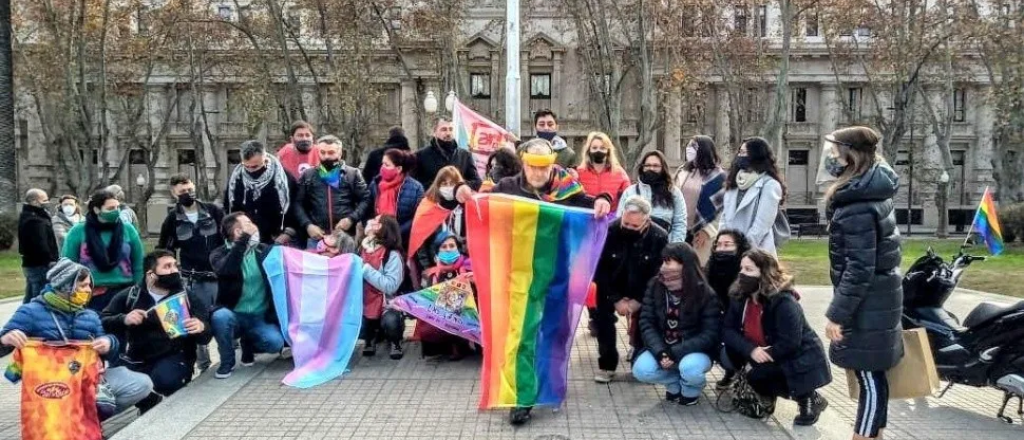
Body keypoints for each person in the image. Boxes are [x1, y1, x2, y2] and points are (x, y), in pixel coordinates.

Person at [492, 138, 612, 426]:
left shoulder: (566, 188)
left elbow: (589, 203)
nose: (538, 172)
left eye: (543, 166)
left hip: (558, 274)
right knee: (522, 335)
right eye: (532, 166)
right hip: (521, 276)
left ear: (552, 165)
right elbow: (479, 203)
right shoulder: (508, 187)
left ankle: (547, 386)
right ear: (523, 164)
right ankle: (523, 397)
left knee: (555, 332)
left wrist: (603, 199)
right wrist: (459, 191)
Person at [821, 126, 903, 440]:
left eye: (835, 151)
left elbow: (858, 268)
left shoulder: (858, 204)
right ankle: (874, 433)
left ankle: (864, 435)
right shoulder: (871, 191)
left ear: (850, 154)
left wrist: (837, 314)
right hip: (877, 298)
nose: (831, 158)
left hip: (868, 303)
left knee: (868, 376)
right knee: (874, 375)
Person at [1, 258, 154, 418]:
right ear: (66, 286)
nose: (89, 290)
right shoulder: (31, 312)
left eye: (89, 285)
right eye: (83, 285)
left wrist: (109, 343)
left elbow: (109, 354)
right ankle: (64, 422)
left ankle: (85, 422)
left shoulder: (90, 316)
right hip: (49, 386)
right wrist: (5, 339)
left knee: (141, 384)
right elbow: (3, 342)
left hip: (85, 378)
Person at [720, 249, 831, 425]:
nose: (742, 274)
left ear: (764, 273)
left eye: (749, 270)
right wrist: (751, 350)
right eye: (741, 269)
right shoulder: (740, 297)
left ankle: (808, 397)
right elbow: (727, 330)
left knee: (757, 374)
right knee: (730, 354)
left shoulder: (784, 302)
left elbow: (790, 343)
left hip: (796, 356)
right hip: (759, 350)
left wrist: (762, 355)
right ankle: (767, 396)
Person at [101, 250, 212, 410]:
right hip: (137, 357)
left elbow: (206, 333)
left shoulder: (186, 296)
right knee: (122, 381)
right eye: (167, 267)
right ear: (151, 274)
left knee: (165, 379)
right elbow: (103, 320)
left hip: (175, 355)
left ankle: (171, 405)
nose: (174, 270)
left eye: (175, 265)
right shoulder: (131, 295)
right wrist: (123, 319)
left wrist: (201, 327)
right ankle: (149, 402)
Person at [632, 242, 721, 406]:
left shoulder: (704, 293)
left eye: (668, 262)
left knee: (690, 368)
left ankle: (692, 388)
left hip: (695, 350)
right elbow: (646, 322)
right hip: (664, 346)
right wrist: (660, 352)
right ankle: (674, 381)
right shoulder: (655, 285)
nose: (663, 267)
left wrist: (675, 352)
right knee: (641, 370)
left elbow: (710, 334)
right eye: (663, 261)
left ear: (684, 264)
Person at [592, 196, 668, 383]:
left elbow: (657, 274)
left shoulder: (659, 236)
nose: (629, 228)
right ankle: (607, 364)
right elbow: (599, 269)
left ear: (646, 222)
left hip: (643, 284)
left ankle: (639, 362)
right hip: (611, 282)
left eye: (635, 226)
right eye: (626, 223)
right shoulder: (609, 231)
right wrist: (616, 298)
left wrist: (638, 300)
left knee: (646, 321)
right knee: (602, 320)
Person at [157, 174, 225, 371]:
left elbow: (226, 239)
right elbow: (165, 249)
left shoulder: (213, 211)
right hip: (193, 279)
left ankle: (229, 357)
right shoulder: (172, 219)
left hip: (218, 276)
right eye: (182, 191)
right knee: (198, 320)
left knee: (224, 317)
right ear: (174, 194)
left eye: (189, 189)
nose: (187, 194)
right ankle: (204, 365)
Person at [209, 213, 286, 379]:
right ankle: (227, 361)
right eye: (249, 223)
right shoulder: (219, 253)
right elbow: (227, 270)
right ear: (237, 231)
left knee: (275, 343)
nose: (254, 226)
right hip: (234, 314)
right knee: (220, 317)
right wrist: (243, 241)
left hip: (259, 315)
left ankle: (248, 342)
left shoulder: (261, 250)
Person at [62, 189, 145, 312]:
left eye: (117, 207)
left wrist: (139, 291)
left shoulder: (128, 229)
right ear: (97, 210)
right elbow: (68, 264)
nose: (116, 211)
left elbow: (138, 264)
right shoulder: (78, 231)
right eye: (111, 208)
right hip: (91, 295)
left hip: (124, 292)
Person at [294, 135, 369, 246]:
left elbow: (366, 199)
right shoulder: (308, 175)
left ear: (340, 153)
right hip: (317, 237)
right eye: (322, 152)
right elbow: (297, 203)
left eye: (331, 153)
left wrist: (351, 219)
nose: (326, 157)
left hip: (345, 237)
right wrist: (308, 225)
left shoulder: (352, 174)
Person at [719, 137, 785, 256]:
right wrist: (724, 242)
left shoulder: (770, 184)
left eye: (744, 153)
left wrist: (743, 249)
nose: (740, 156)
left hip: (756, 252)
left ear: (756, 155)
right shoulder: (734, 181)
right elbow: (724, 216)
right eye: (740, 152)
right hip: (728, 251)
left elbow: (762, 224)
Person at [415, 231, 474, 360]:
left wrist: (473, 280)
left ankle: (462, 344)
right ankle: (446, 345)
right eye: (444, 246)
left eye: (452, 246)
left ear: (458, 248)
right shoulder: (431, 273)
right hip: (442, 312)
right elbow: (425, 299)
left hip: (469, 311)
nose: (448, 249)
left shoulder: (469, 266)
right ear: (437, 250)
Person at [224, 140, 297, 245]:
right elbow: (230, 208)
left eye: (255, 166)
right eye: (246, 166)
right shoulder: (236, 179)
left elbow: (295, 207)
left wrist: (288, 233)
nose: (251, 170)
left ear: (265, 159)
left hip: (277, 238)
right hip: (246, 238)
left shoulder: (284, 178)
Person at [359, 215, 407, 360]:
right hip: (364, 303)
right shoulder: (361, 248)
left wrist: (365, 269)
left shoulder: (392, 255)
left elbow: (390, 286)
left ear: (384, 229)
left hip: (387, 304)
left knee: (391, 322)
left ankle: (395, 340)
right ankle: (370, 337)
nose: (371, 222)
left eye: (376, 222)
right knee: (355, 324)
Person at [674, 135, 726, 265]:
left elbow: (723, 210)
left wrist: (707, 231)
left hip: (702, 234)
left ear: (704, 149)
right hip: (679, 230)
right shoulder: (682, 171)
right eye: (688, 145)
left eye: (693, 146)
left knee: (698, 269)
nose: (689, 149)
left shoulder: (718, 177)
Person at [618, 151, 687, 243]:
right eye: (647, 165)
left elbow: (679, 224)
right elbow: (619, 220)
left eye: (656, 166)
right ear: (642, 168)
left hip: (665, 246)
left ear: (663, 168)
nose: (651, 168)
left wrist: (673, 247)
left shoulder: (674, 193)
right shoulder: (630, 192)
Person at [365, 148, 424, 246]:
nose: (382, 168)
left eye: (387, 165)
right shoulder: (375, 184)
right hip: (377, 238)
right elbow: (367, 209)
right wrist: (372, 228)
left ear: (399, 169)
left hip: (404, 240)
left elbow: (417, 217)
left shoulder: (416, 188)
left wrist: (395, 232)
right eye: (382, 164)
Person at [412, 117, 481, 193]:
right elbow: (413, 184)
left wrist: (457, 185)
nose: (448, 133)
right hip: (431, 199)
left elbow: (477, 182)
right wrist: (438, 186)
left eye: (451, 129)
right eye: (444, 129)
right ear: (434, 132)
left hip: (458, 199)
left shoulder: (465, 155)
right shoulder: (420, 155)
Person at [18, 188, 59, 303]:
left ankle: (24, 313)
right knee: (39, 296)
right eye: (44, 200)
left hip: (32, 264)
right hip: (40, 265)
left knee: (30, 295)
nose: (47, 202)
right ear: (34, 201)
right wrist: (50, 260)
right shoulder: (35, 221)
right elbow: (41, 244)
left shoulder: (29, 216)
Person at [576, 131, 631, 212]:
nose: (598, 151)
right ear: (588, 150)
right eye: (594, 148)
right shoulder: (579, 172)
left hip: (611, 217)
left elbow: (629, 197)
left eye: (602, 148)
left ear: (608, 151)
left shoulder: (619, 173)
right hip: (586, 216)